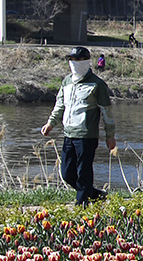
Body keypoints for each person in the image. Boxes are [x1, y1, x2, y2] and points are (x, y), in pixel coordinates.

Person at [41, 46, 116, 206]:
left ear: (87, 61)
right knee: (67, 173)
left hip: (86, 136)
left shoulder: (97, 84)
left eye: (78, 60)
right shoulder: (67, 81)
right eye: (72, 59)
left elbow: (106, 111)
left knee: (83, 172)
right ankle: (94, 194)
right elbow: (60, 105)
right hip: (69, 134)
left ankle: (81, 204)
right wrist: (50, 123)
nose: (74, 63)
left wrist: (110, 135)